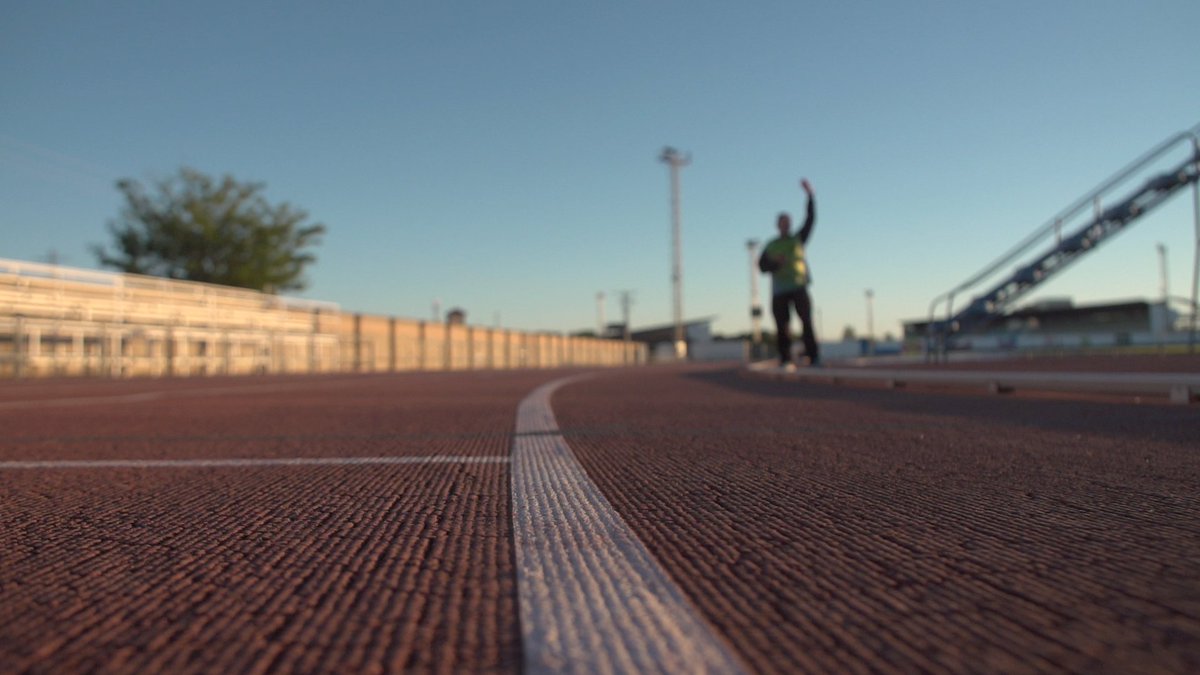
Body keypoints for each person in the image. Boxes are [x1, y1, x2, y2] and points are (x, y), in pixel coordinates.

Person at [758, 178, 820, 369]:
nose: (786, 225)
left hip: (799, 286)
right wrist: (774, 264)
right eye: (782, 223)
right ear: (778, 225)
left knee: (806, 323)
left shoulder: (797, 239)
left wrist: (810, 196)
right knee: (782, 327)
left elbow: (810, 219)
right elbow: (761, 266)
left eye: (788, 222)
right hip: (780, 291)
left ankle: (813, 356)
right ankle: (785, 358)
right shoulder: (771, 244)